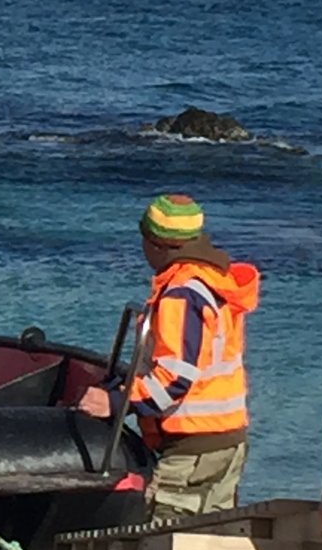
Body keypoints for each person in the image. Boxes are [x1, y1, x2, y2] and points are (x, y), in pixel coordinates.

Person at [79, 194, 262, 530]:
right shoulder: (212, 282)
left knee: (164, 547)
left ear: (157, 245)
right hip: (224, 438)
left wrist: (116, 401)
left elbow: (174, 380)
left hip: (193, 445)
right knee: (208, 540)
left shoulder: (180, 294)